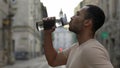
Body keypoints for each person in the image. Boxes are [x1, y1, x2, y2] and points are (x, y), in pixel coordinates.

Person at [43, 5, 114, 68]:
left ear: (87, 22)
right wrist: (47, 33)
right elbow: (53, 60)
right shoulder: (76, 47)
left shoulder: (92, 49)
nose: (71, 17)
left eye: (77, 14)